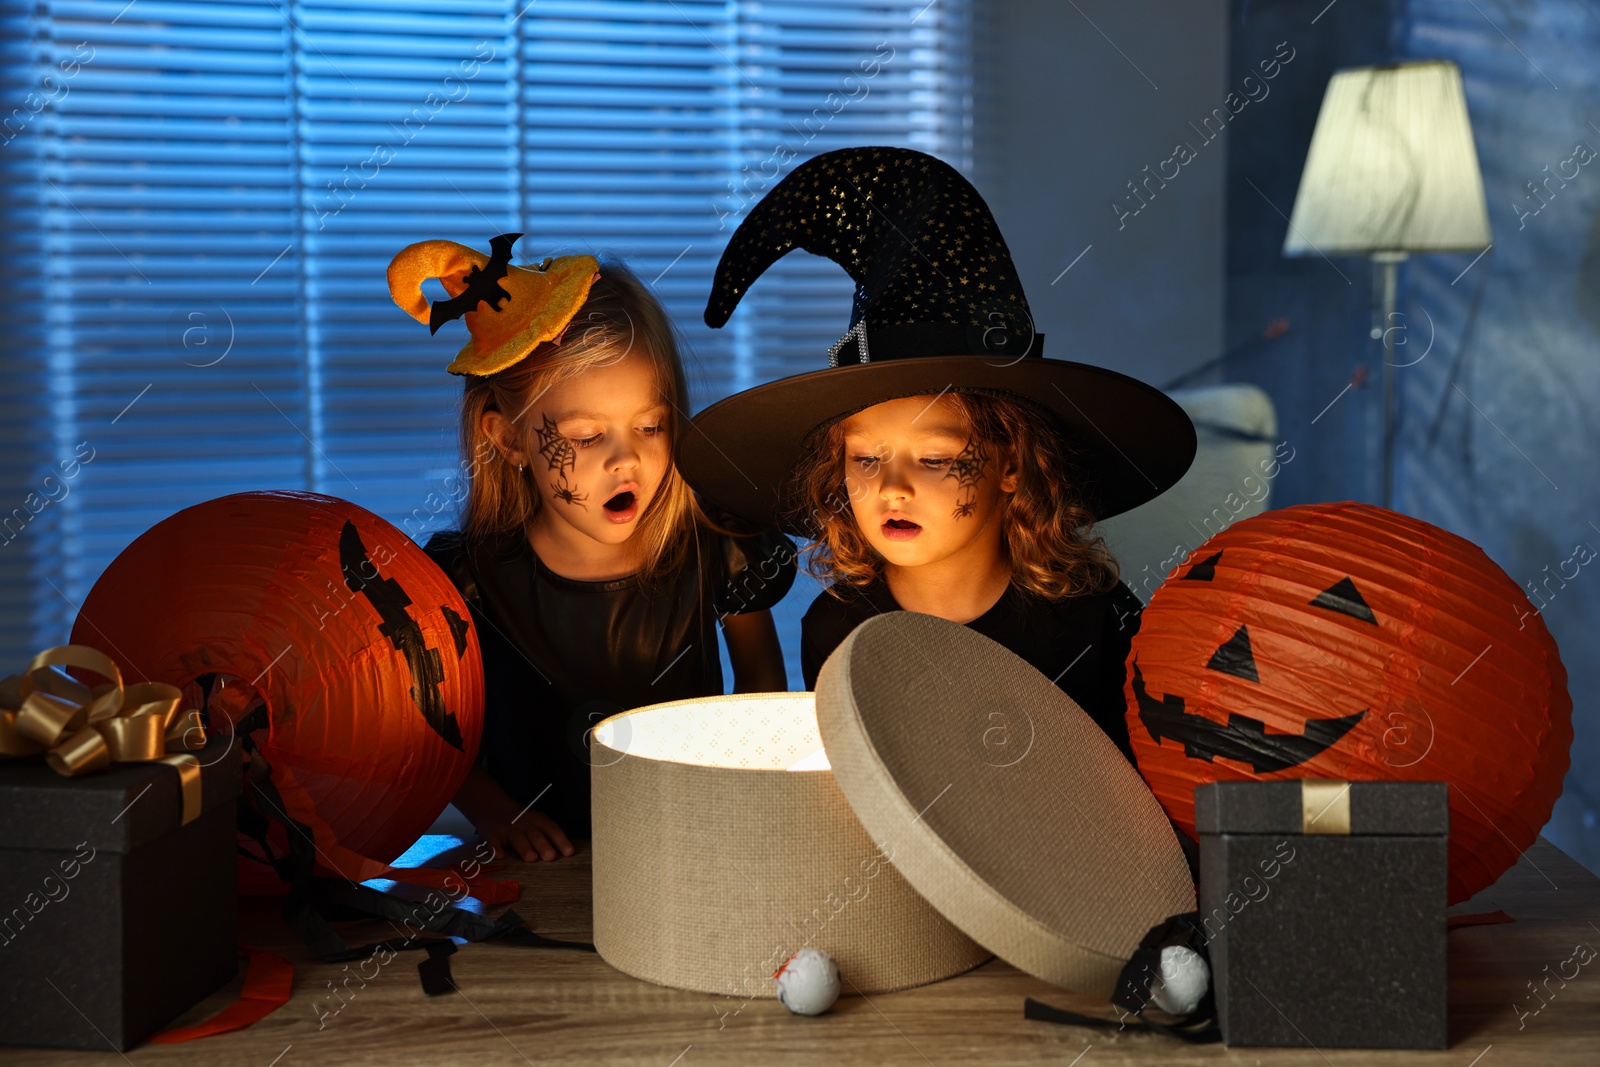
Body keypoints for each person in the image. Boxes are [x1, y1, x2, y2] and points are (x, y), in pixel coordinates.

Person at [674, 146, 1196, 762]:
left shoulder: (1091, 621)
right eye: (866, 459)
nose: (892, 487)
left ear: (1010, 465)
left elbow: (1152, 781)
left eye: (934, 459)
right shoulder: (837, 632)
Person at [387, 234, 794, 863]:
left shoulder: (718, 549)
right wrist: (493, 810)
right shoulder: (466, 580)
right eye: (585, 434)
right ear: (508, 439)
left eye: (650, 426)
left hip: (687, 846)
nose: (626, 456)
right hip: (539, 868)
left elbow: (762, 685)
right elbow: (429, 727)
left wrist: (739, 786)